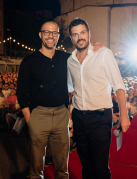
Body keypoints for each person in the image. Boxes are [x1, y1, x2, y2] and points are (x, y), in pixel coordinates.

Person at [16, 21, 103, 179]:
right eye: (47, 32)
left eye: (54, 33)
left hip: (61, 114)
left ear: (58, 36)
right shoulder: (29, 62)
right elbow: (21, 93)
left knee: (62, 163)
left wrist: (94, 47)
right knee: (36, 165)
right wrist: (29, 118)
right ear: (40, 35)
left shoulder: (67, 58)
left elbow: (85, 59)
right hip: (38, 114)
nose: (50, 35)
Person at [67, 18, 130, 179]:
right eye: (75, 34)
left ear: (89, 34)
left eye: (82, 32)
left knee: (100, 167)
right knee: (86, 165)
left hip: (100, 117)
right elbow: (70, 89)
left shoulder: (103, 53)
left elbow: (118, 85)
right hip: (79, 118)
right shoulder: (69, 61)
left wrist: (123, 115)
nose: (79, 37)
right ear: (71, 38)